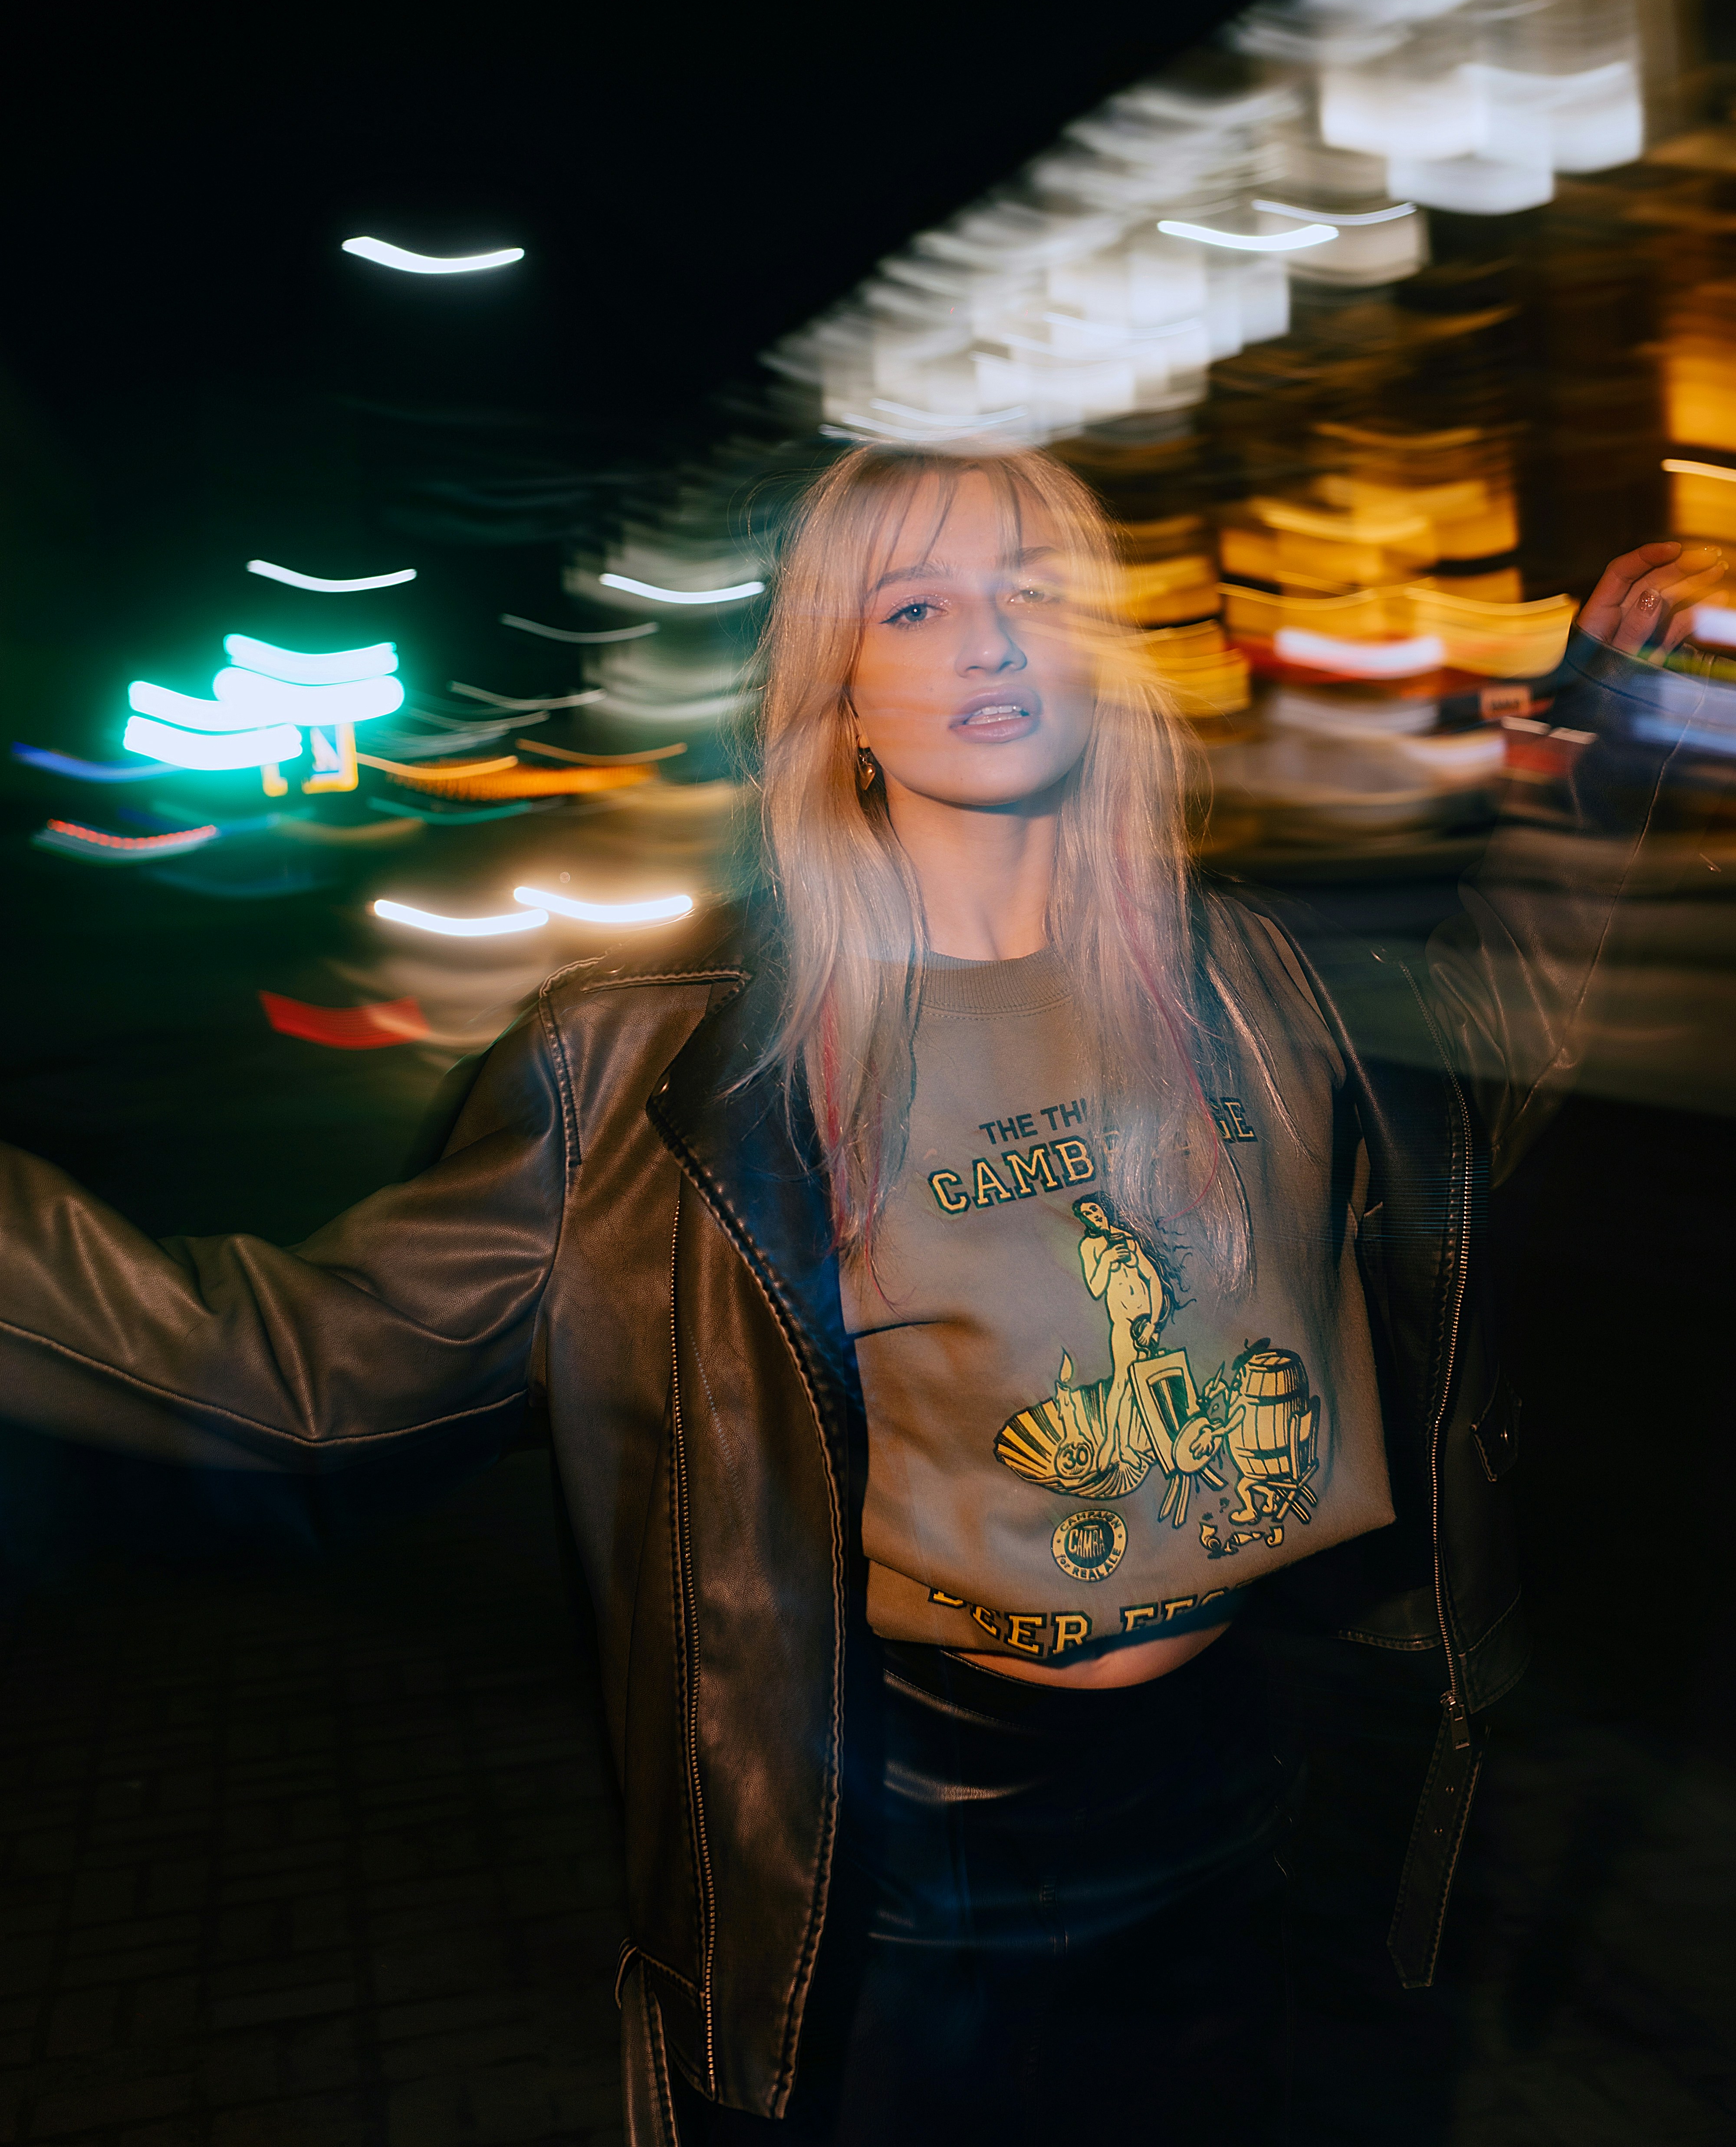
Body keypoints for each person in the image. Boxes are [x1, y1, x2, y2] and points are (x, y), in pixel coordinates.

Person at [0, 448, 1719, 2147]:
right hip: (899, 1882)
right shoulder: (664, 1073)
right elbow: (287, 1372)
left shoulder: (1251, 976)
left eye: (1032, 592)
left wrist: (1607, 737)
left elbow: (1497, 1044)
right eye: (919, 603)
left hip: (1236, 1825)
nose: (989, 640)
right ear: (842, 689)